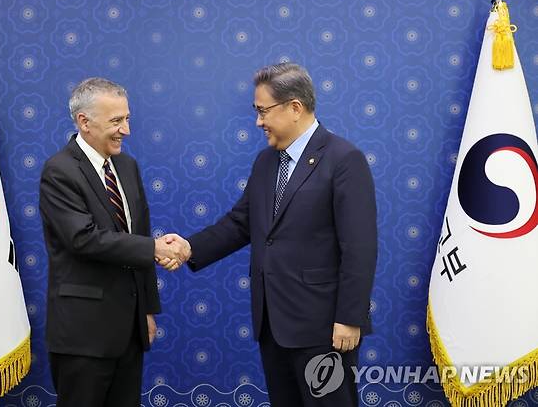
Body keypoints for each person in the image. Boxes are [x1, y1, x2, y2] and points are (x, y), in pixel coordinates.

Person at [168, 63, 377, 406]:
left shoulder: (343, 159)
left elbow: (360, 247)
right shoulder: (266, 162)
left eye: (263, 111)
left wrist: (349, 318)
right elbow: (241, 223)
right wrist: (190, 248)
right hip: (273, 325)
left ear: (295, 107)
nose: (258, 121)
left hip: (324, 328)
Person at [39, 77, 186, 407]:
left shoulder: (127, 166)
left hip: (128, 333)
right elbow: (83, 238)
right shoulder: (59, 171)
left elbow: (140, 233)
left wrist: (147, 310)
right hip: (83, 336)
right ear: (84, 122)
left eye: (127, 119)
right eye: (116, 121)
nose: (126, 130)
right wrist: (154, 249)